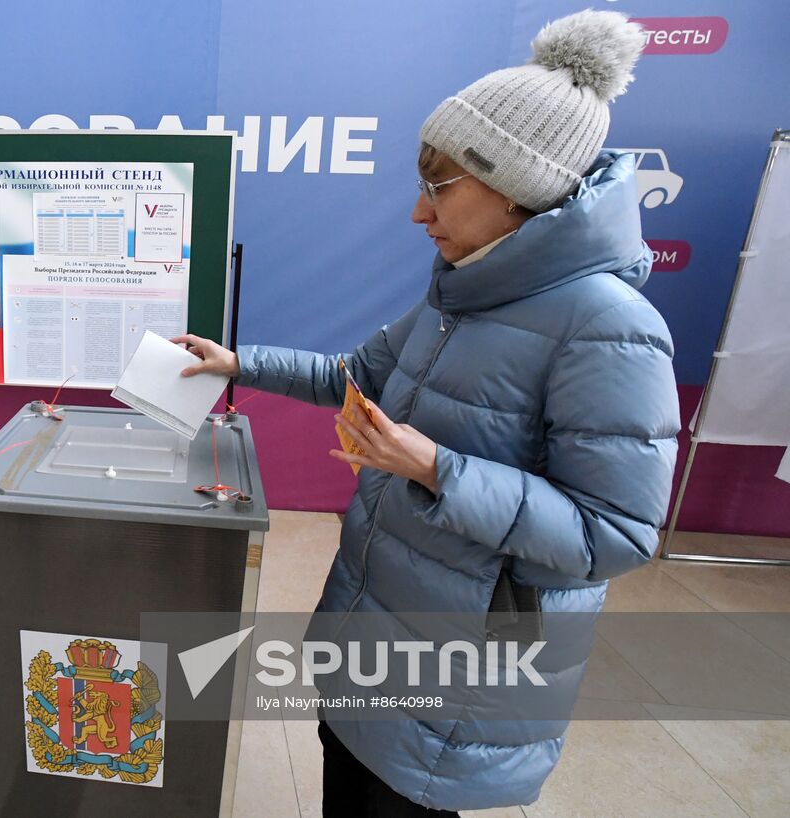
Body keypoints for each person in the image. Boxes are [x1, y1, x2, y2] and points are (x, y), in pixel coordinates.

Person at [176, 11, 677, 815]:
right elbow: (358, 375)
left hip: (454, 679)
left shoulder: (607, 324)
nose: (419, 213)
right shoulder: (464, 291)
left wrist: (437, 469)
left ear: (517, 187)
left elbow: (613, 536)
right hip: (376, 634)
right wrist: (237, 363)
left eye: (438, 186)